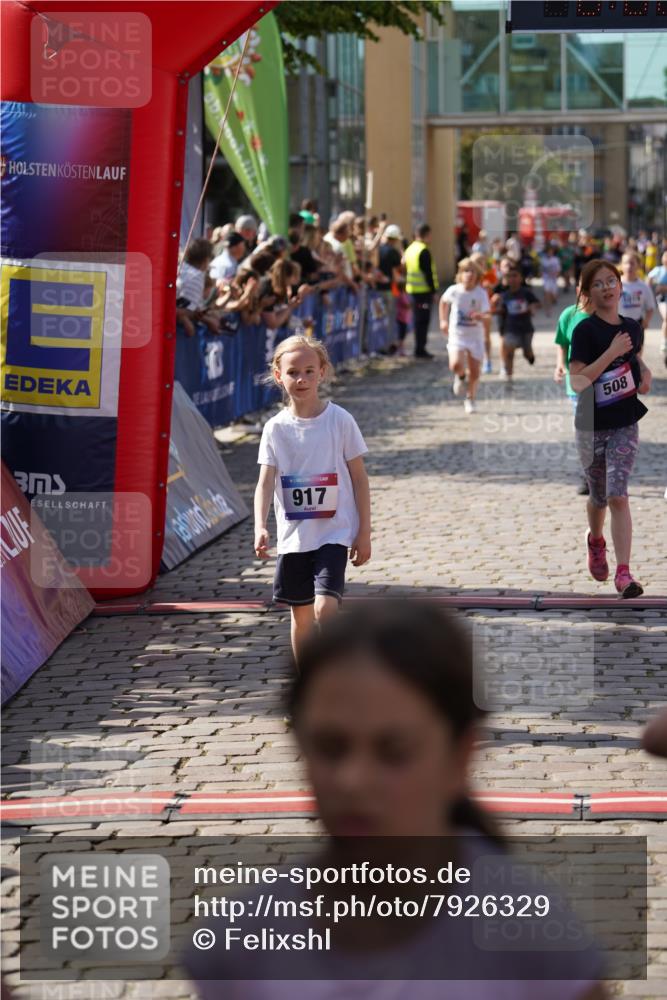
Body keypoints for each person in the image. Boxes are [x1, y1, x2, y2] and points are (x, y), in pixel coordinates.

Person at [187, 601, 608, 999]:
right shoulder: (243, 939)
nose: (353, 780)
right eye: (330, 747)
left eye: (395, 751)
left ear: (460, 756)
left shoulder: (532, 937)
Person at [253, 335, 371, 659]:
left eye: (308, 371)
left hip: (334, 533)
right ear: (278, 375)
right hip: (294, 538)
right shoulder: (275, 428)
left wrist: (364, 532)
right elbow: (265, 482)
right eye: (293, 372)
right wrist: (260, 526)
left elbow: (360, 480)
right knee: (301, 617)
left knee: (324, 609)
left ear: (322, 372)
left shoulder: (340, 420)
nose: (301, 379)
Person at [568, 260, 652, 598]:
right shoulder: (584, 331)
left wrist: (643, 372)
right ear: (588, 293)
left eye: (611, 281)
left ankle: (624, 573)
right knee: (599, 496)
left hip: (624, 422)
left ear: (621, 287)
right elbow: (577, 381)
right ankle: (595, 540)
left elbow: (632, 362)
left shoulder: (632, 328)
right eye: (599, 284)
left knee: (618, 495)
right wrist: (611, 352)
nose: (607, 287)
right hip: (590, 425)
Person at [554, 281, 593, 495]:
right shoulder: (569, 315)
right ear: (578, 291)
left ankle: (602, 471)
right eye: (584, 288)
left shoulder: (603, 315)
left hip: (603, 384)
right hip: (577, 385)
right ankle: (588, 475)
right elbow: (562, 342)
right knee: (585, 432)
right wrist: (560, 364)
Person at [439, 258, 491, 413]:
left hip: (474, 336)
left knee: (475, 372)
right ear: (460, 274)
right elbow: (443, 302)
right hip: (457, 335)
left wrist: (481, 317)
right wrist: (443, 320)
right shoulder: (454, 290)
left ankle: (470, 398)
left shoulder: (480, 293)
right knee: (454, 364)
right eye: (465, 271)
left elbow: (488, 315)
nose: (469, 275)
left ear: (477, 275)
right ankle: (461, 376)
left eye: (472, 271)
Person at [493, 265, 539, 385]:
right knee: (509, 352)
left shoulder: (526, 293)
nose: (512, 279)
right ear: (506, 279)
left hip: (526, 329)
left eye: (515, 276)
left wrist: (532, 308)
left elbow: (536, 303)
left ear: (520, 278)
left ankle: (530, 356)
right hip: (510, 328)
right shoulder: (504, 296)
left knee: (526, 352)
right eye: (510, 276)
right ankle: (509, 375)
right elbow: (500, 310)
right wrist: (491, 310)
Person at [404, 223, 439, 359]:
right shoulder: (423, 250)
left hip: (412, 291)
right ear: (426, 235)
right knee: (423, 320)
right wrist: (434, 291)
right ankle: (420, 349)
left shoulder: (410, 249)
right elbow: (428, 273)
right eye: (430, 235)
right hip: (423, 292)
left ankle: (419, 347)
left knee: (418, 320)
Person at [619, 251, 654, 349]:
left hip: (637, 324)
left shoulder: (643, 286)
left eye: (632, 263)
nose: (629, 266)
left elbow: (650, 307)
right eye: (626, 263)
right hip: (618, 324)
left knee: (637, 353)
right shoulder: (616, 284)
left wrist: (646, 321)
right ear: (621, 265)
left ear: (638, 265)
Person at [647, 248, 667, 366]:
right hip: (662, 299)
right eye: (665, 256)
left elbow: (661, 287)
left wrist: (663, 287)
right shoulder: (658, 270)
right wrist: (651, 291)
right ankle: (664, 342)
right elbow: (648, 281)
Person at [540, 244, 561, 316]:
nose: (550, 253)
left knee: (553, 296)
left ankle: (553, 300)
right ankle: (548, 310)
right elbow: (541, 269)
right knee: (547, 293)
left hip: (553, 280)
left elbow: (558, 270)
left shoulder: (555, 259)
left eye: (551, 251)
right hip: (546, 279)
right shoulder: (543, 259)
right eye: (548, 251)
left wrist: (555, 275)